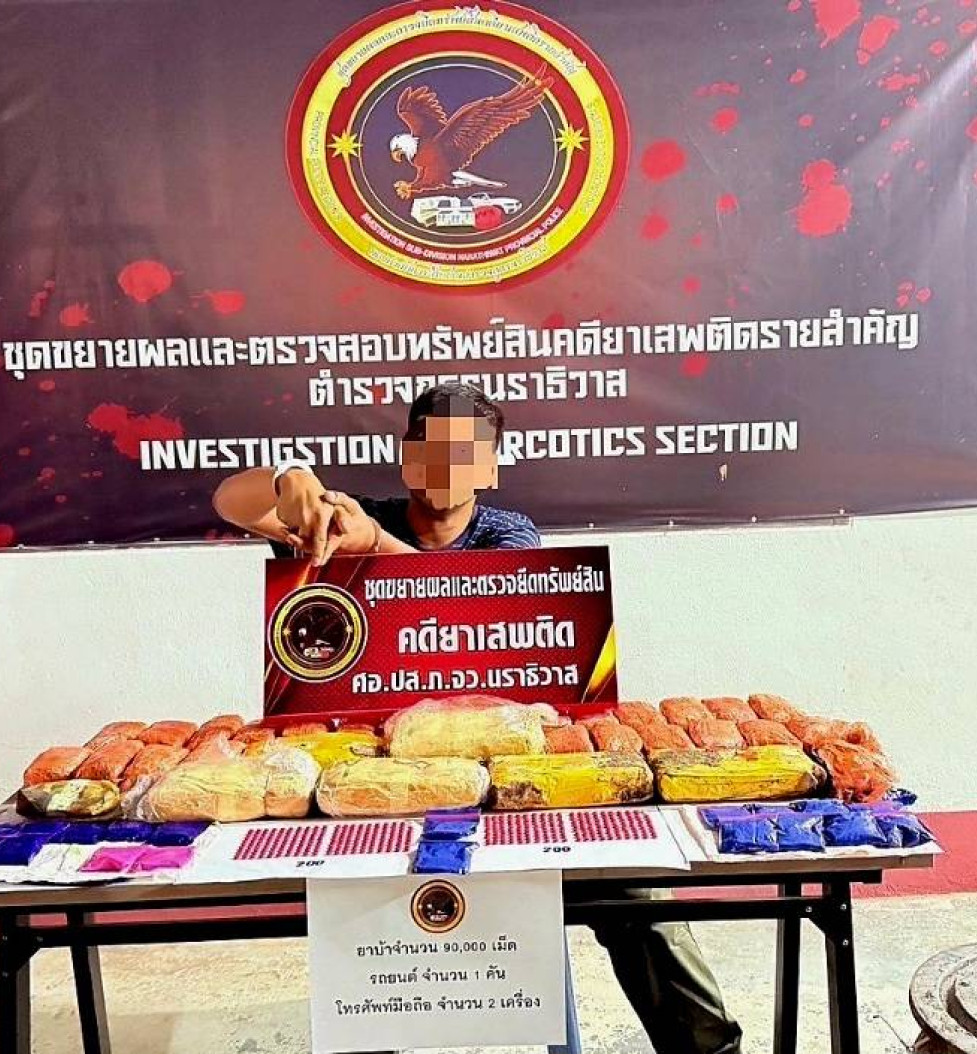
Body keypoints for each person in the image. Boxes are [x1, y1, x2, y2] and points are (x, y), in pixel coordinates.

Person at [214, 382, 744, 1054]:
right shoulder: (354, 517)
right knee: (353, 907)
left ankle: (711, 1050)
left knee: (639, 895)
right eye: (432, 451)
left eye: (465, 454)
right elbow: (232, 502)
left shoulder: (508, 533)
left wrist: (374, 546)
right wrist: (291, 481)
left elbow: (478, 599)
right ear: (407, 457)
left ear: (490, 466)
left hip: (513, 772)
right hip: (385, 777)